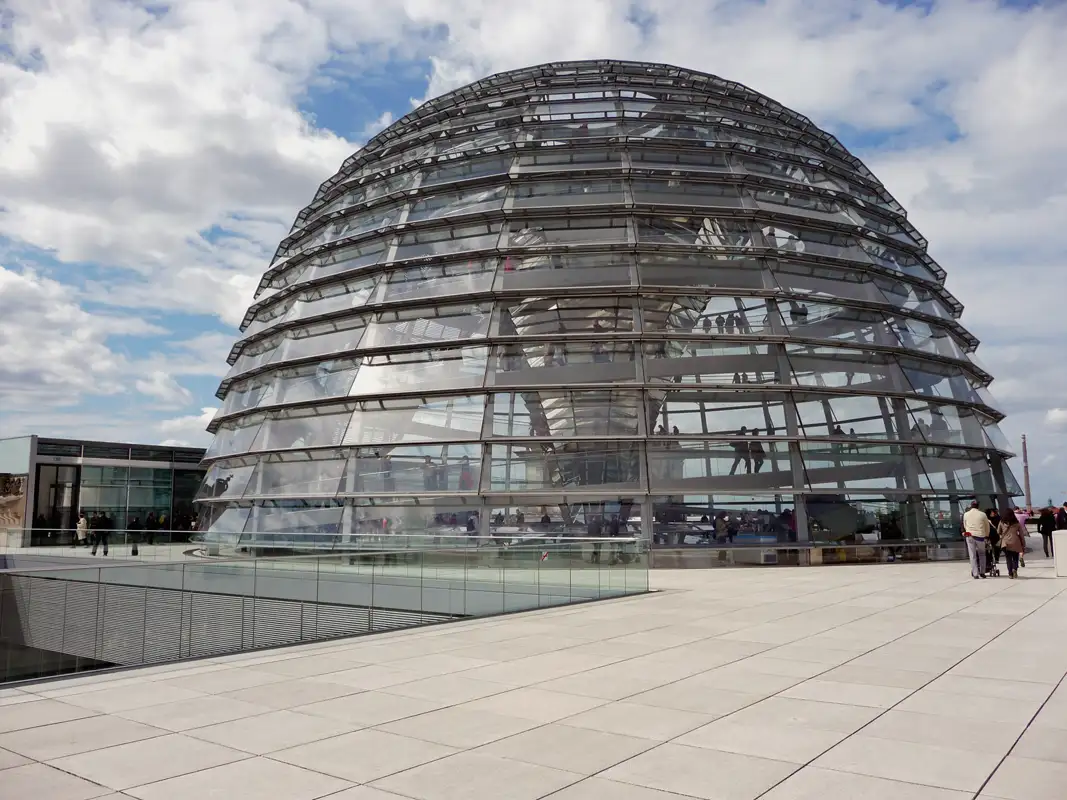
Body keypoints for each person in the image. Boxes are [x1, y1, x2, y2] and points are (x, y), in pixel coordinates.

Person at [961, 500, 989, 579]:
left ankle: (975, 573)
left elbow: (964, 524)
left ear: (971, 505)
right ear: (978, 506)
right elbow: (987, 526)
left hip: (970, 535)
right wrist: (986, 535)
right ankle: (982, 572)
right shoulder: (983, 514)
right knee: (982, 554)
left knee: (972, 555)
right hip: (980, 536)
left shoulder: (966, 514)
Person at [998, 511, 1025, 578]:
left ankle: (1010, 573)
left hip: (1005, 543)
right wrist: (1023, 544)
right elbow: (1021, 534)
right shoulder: (1017, 523)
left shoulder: (1001, 522)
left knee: (1008, 558)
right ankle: (1014, 569)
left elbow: (998, 531)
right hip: (1015, 542)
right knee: (1015, 557)